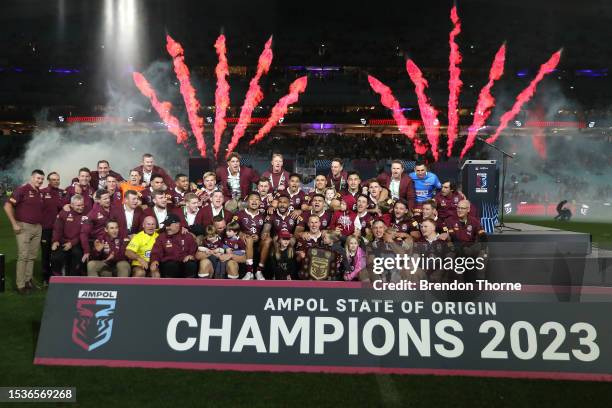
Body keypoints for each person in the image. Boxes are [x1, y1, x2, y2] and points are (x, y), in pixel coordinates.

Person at [3, 169, 45, 294]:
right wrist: (14, 224)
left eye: (42, 179)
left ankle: (28, 281)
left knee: (32, 256)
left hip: (37, 227)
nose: (40, 181)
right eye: (38, 178)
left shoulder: (38, 192)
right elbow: (7, 206)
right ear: (32, 177)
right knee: (23, 256)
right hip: (24, 226)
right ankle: (20, 285)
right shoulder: (22, 189)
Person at [150, 213, 200, 278]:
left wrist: (191, 256)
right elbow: (156, 252)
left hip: (184, 265)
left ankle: (189, 286)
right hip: (169, 266)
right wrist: (154, 261)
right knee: (171, 265)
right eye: (166, 225)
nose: (167, 228)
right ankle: (170, 287)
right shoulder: (161, 237)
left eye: (169, 225)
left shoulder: (187, 236)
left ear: (177, 224)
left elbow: (194, 250)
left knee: (190, 264)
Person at [50, 194, 85, 277]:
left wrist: (71, 243)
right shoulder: (63, 213)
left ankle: (73, 279)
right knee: (55, 257)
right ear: (71, 205)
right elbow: (57, 229)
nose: (81, 207)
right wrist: (55, 241)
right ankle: (57, 278)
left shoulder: (86, 215)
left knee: (76, 254)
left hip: (77, 243)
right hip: (63, 242)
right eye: (78, 205)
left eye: (82, 205)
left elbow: (83, 233)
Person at [40, 171, 65, 285]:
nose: (56, 181)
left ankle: (56, 276)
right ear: (48, 181)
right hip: (46, 229)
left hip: (60, 230)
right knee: (46, 254)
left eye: (57, 179)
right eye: (53, 179)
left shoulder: (63, 192)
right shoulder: (42, 192)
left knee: (57, 254)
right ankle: (46, 278)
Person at [235, 193, 266, 280]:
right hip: (244, 242)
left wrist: (259, 236)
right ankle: (249, 272)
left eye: (257, 199)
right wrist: (241, 234)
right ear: (247, 202)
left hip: (258, 243)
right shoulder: (239, 214)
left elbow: (266, 232)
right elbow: (232, 229)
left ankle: (259, 271)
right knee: (249, 239)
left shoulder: (263, 215)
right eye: (252, 199)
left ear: (260, 202)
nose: (254, 201)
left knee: (267, 240)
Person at [414, 218, 452, 283]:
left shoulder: (443, 241)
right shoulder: (419, 241)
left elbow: (450, 259)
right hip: (423, 272)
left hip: (441, 271)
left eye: (425, 226)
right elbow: (415, 258)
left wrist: (441, 271)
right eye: (421, 227)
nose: (422, 229)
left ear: (433, 228)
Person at [80, 189, 112, 261]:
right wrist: (86, 251)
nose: (108, 200)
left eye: (108, 198)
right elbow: (84, 233)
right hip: (99, 243)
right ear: (98, 200)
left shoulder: (113, 209)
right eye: (105, 199)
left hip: (113, 241)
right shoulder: (92, 214)